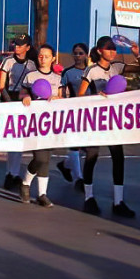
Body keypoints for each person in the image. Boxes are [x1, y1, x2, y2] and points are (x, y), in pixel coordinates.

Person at [77, 35, 140, 217]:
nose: (112, 51)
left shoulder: (118, 67)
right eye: (108, 48)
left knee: (118, 157)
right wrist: (96, 97)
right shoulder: (91, 71)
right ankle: (89, 198)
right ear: (100, 51)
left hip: (114, 121)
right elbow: (80, 96)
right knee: (92, 156)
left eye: (114, 48)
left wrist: (137, 54)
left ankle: (119, 201)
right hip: (96, 120)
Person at [18, 44, 64, 208]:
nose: (43, 58)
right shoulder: (30, 76)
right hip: (35, 121)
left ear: (53, 58)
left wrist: (58, 99)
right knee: (40, 157)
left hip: (51, 122)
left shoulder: (58, 79)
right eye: (40, 56)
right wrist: (25, 97)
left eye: (46, 56)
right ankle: (25, 183)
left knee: (46, 159)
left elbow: (63, 97)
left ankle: (42, 194)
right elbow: (23, 93)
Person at [0, 33, 37, 191]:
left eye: (21, 45)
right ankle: (10, 174)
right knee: (12, 139)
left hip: (25, 100)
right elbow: (1, 85)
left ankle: (13, 173)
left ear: (27, 47)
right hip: (10, 98)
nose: (17, 47)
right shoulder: (7, 61)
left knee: (20, 140)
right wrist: (9, 102)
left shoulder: (32, 64)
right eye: (16, 44)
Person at [57, 42, 89, 190]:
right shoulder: (67, 72)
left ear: (86, 55)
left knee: (87, 146)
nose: (78, 56)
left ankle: (65, 165)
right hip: (75, 111)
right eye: (75, 53)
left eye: (80, 53)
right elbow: (62, 93)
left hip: (91, 112)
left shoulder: (91, 72)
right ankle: (79, 179)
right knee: (75, 144)